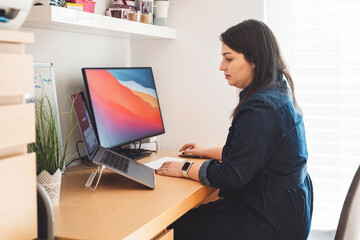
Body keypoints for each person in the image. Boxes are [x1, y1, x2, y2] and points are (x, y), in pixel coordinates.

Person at [156, 19, 313, 240]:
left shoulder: (262, 108)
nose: (222, 67)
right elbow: (253, 155)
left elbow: (232, 175)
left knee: (173, 228)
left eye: (228, 58)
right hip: (287, 212)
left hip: (269, 220)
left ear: (254, 60)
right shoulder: (277, 92)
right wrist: (205, 151)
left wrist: (185, 168)